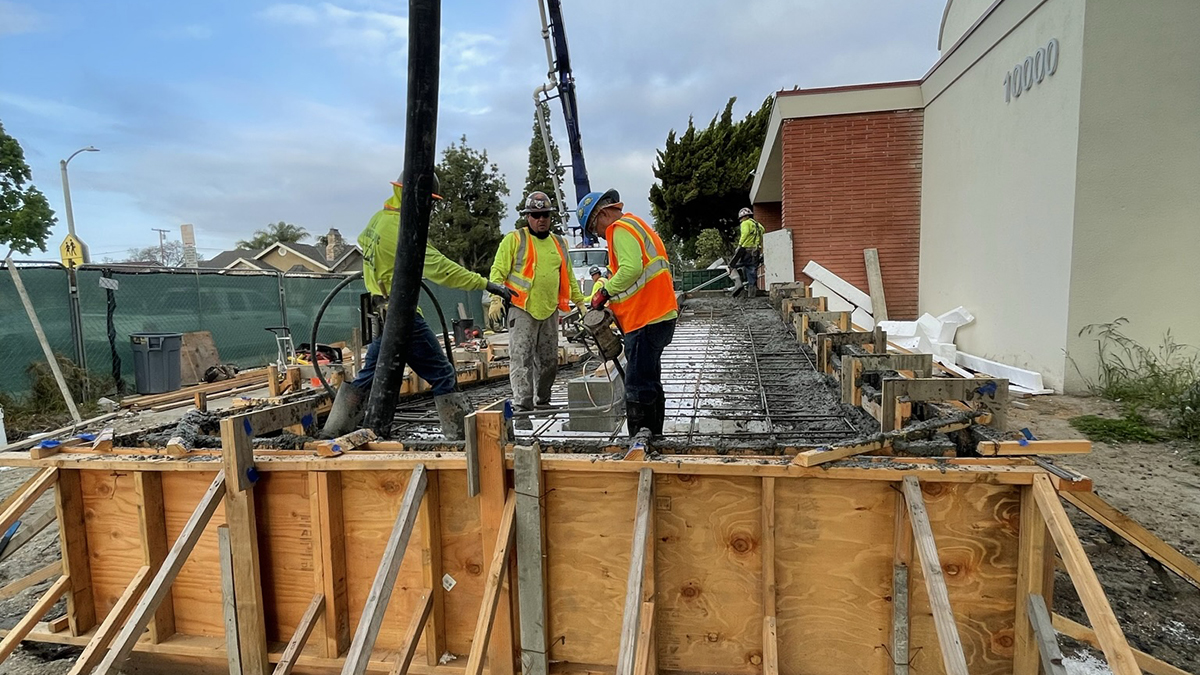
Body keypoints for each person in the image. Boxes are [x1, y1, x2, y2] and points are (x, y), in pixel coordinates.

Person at [322, 177, 512, 440]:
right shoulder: (403, 229)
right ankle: (460, 439)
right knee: (443, 375)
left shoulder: (379, 219)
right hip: (403, 316)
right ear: (414, 197)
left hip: (383, 312)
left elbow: (365, 243)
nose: (430, 209)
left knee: (370, 374)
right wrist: (487, 284)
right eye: (428, 203)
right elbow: (441, 268)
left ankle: (334, 431)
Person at [576, 189, 677, 441]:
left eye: (593, 227)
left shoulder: (618, 229)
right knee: (650, 379)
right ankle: (654, 435)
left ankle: (640, 441)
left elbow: (631, 269)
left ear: (602, 213)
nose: (598, 234)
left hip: (645, 316)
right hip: (658, 314)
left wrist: (606, 292)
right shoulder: (636, 225)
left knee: (637, 384)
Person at [489, 191, 586, 419]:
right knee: (521, 359)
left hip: (549, 309)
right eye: (535, 215)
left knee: (549, 361)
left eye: (545, 215)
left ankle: (542, 401)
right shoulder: (514, 240)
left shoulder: (559, 243)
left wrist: (580, 302)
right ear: (528, 216)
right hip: (521, 309)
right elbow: (498, 271)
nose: (541, 219)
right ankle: (523, 406)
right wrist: (495, 298)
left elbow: (568, 276)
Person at [732, 207, 765, 297]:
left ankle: (738, 284)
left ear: (743, 217)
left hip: (746, 250)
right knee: (751, 270)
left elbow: (745, 234)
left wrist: (739, 245)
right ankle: (752, 293)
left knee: (731, 266)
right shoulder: (758, 225)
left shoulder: (745, 223)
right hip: (756, 251)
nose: (741, 220)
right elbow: (763, 232)